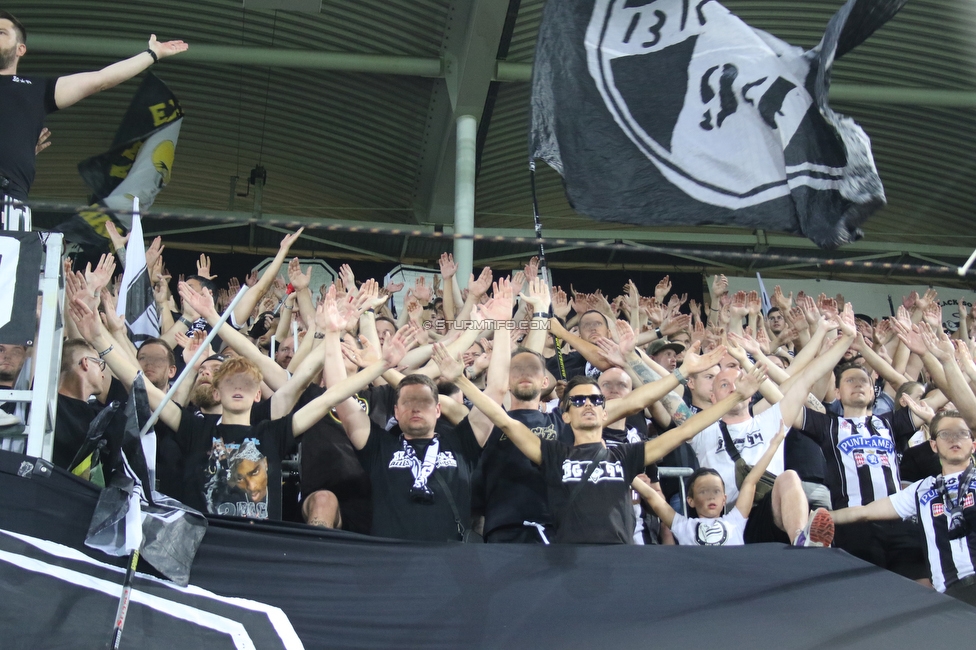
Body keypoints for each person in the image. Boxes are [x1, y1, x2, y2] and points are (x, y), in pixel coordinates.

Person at [437, 339, 765, 544]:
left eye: (595, 400)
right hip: (564, 556)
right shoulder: (552, 455)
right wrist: (462, 380)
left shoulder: (623, 456)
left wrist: (735, 394)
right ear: (564, 415)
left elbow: (683, 431)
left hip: (616, 559)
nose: (589, 405)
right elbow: (504, 419)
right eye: (578, 401)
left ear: (604, 411)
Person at [0, 11, 187, 214]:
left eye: (1, 32)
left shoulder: (35, 88)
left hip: (10, 198)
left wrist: (152, 54)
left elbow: (101, 79)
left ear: (20, 49)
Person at [795, 361, 930, 579]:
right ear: (837, 392)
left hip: (898, 521)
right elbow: (786, 406)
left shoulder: (890, 423)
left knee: (921, 588)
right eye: (850, 380)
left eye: (863, 381)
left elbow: (938, 403)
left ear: (872, 391)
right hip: (853, 525)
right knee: (868, 591)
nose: (858, 385)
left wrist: (933, 355)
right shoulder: (828, 425)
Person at [831, 411, 976, 604]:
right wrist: (824, 515)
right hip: (951, 595)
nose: (953, 439)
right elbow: (864, 512)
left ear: (974, 445)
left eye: (961, 433)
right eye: (945, 434)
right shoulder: (921, 489)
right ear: (933, 445)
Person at [634, 424, 791, 546]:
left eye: (716, 491)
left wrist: (774, 446)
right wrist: (624, 467)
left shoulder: (735, 520)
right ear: (691, 500)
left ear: (724, 499)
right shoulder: (683, 526)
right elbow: (652, 497)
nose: (710, 496)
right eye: (703, 491)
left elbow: (750, 482)